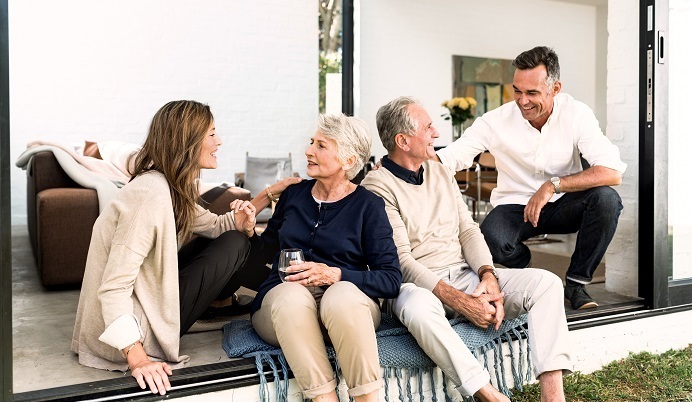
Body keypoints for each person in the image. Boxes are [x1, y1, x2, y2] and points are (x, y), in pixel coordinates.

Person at [71, 100, 298, 395]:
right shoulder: (149, 195)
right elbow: (113, 287)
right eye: (211, 134)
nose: (219, 141)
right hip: (134, 332)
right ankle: (292, 291)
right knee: (236, 242)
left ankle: (287, 289)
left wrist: (267, 196)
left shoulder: (171, 185)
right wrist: (138, 359)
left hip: (150, 302)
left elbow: (215, 225)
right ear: (187, 141)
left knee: (232, 236)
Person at [362, 96, 573, 402]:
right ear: (403, 141)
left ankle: (553, 395)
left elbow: (468, 230)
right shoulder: (376, 186)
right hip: (415, 286)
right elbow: (402, 261)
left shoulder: (440, 171)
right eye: (428, 127)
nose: (436, 133)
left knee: (547, 284)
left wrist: (488, 276)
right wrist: (461, 302)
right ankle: (485, 392)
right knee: (418, 308)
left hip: (464, 274)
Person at [436, 46, 627, 310]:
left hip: (563, 204)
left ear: (555, 88)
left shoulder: (576, 113)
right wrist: (399, 164)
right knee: (490, 239)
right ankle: (528, 272)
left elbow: (612, 172)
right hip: (515, 206)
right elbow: (451, 156)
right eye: (517, 91)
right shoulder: (495, 121)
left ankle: (576, 284)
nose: (522, 101)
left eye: (532, 93)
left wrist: (552, 186)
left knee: (607, 200)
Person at [249, 113, 402, 402]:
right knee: (292, 296)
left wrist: (336, 274)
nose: (309, 151)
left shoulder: (368, 206)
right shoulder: (293, 195)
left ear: (348, 160)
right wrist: (247, 231)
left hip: (344, 314)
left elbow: (391, 279)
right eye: (312, 142)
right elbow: (262, 253)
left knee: (341, 294)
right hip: (284, 311)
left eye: (321, 145)